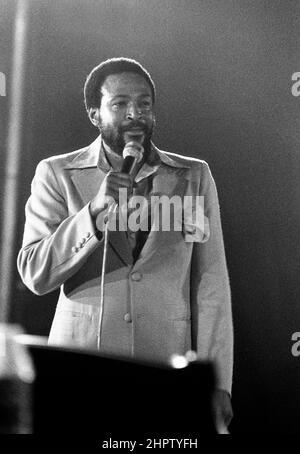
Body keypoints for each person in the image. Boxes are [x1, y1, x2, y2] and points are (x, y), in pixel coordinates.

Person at [17, 57, 233, 429]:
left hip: (164, 370)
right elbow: (35, 271)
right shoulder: (58, 173)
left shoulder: (192, 176)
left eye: (144, 103)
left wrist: (218, 383)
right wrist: (94, 213)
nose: (134, 114)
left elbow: (211, 285)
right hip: (79, 373)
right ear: (95, 115)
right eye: (119, 104)